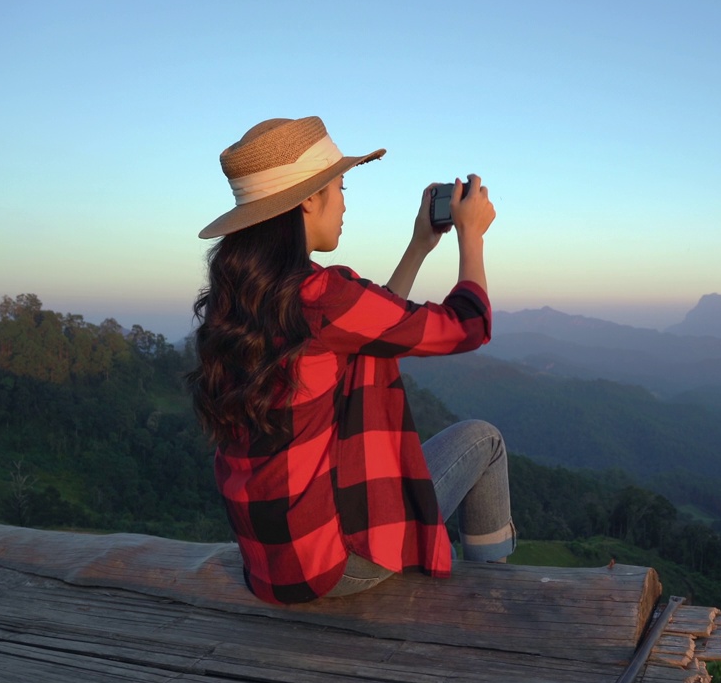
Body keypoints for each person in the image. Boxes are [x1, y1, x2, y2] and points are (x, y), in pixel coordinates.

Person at [188, 116, 515, 604]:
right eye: (339, 186)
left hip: (270, 566)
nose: (344, 200)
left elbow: (369, 330)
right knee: (484, 440)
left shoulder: (240, 301)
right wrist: (472, 236)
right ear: (307, 198)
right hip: (335, 566)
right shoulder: (321, 295)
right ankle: (496, 598)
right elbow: (469, 326)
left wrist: (419, 246)